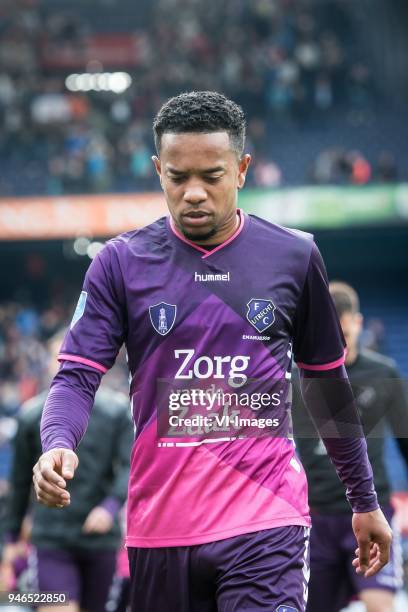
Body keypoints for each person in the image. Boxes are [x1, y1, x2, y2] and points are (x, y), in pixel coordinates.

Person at [33, 91, 392, 612]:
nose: (194, 193)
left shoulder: (295, 256)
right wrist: (57, 440)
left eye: (212, 176)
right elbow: (75, 375)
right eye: (178, 178)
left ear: (242, 169)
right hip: (161, 527)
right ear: (158, 171)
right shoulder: (120, 263)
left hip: (266, 518)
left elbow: (328, 386)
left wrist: (364, 500)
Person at [292, 281, 408, 612]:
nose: (338, 344)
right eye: (330, 336)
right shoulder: (296, 376)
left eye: (344, 333)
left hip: (373, 511)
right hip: (316, 517)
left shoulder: (383, 372)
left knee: (380, 605)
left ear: (357, 323)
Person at [1, 331, 133, 612]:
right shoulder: (30, 415)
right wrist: (11, 538)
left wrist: (109, 508)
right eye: (57, 356)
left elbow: (130, 466)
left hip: (101, 540)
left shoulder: (118, 411)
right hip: (51, 540)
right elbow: (20, 481)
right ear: (49, 362)